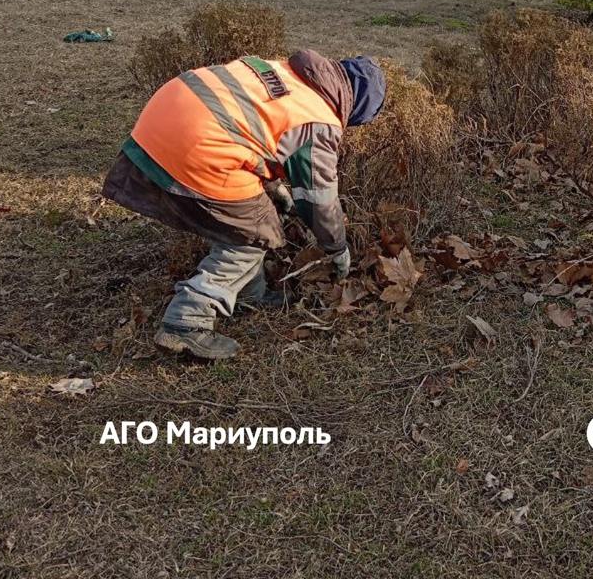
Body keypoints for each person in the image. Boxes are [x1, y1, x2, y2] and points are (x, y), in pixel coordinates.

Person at [102, 50, 386, 360]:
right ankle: (187, 320)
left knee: (239, 216)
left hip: (158, 124)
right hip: (198, 149)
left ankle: (249, 295)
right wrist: (337, 247)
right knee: (253, 235)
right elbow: (319, 199)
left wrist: (273, 187)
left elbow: (249, 130)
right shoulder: (320, 119)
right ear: (357, 108)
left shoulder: (284, 72)